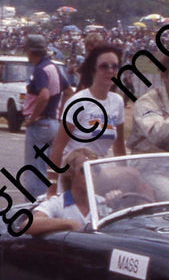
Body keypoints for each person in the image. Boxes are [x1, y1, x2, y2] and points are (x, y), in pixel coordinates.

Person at [49, 42, 127, 181]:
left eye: (115, 66)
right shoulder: (78, 102)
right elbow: (57, 148)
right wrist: (52, 185)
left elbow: (119, 148)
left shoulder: (118, 101)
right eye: (104, 66)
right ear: (93, 70)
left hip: (100, 175)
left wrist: (125, 177)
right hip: (74, 175)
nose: (110, 71)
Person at [19, 33, 63, 197]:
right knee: (46, 170)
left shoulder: (40, 70)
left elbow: (44, 95)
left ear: (30, 51)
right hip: (53, 122)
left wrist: (32, 118)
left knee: (34, 171)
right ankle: (46, 202)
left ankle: (33, 205)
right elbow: (67, 90)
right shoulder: (53, 67)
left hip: (40, 124)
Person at [28, 147, 99, 234]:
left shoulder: (103, 202)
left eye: (96, 170)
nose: (92, 174)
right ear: (70, 174)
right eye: (84, 170)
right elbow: (29, 224)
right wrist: (69, 223)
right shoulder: (58, 203)